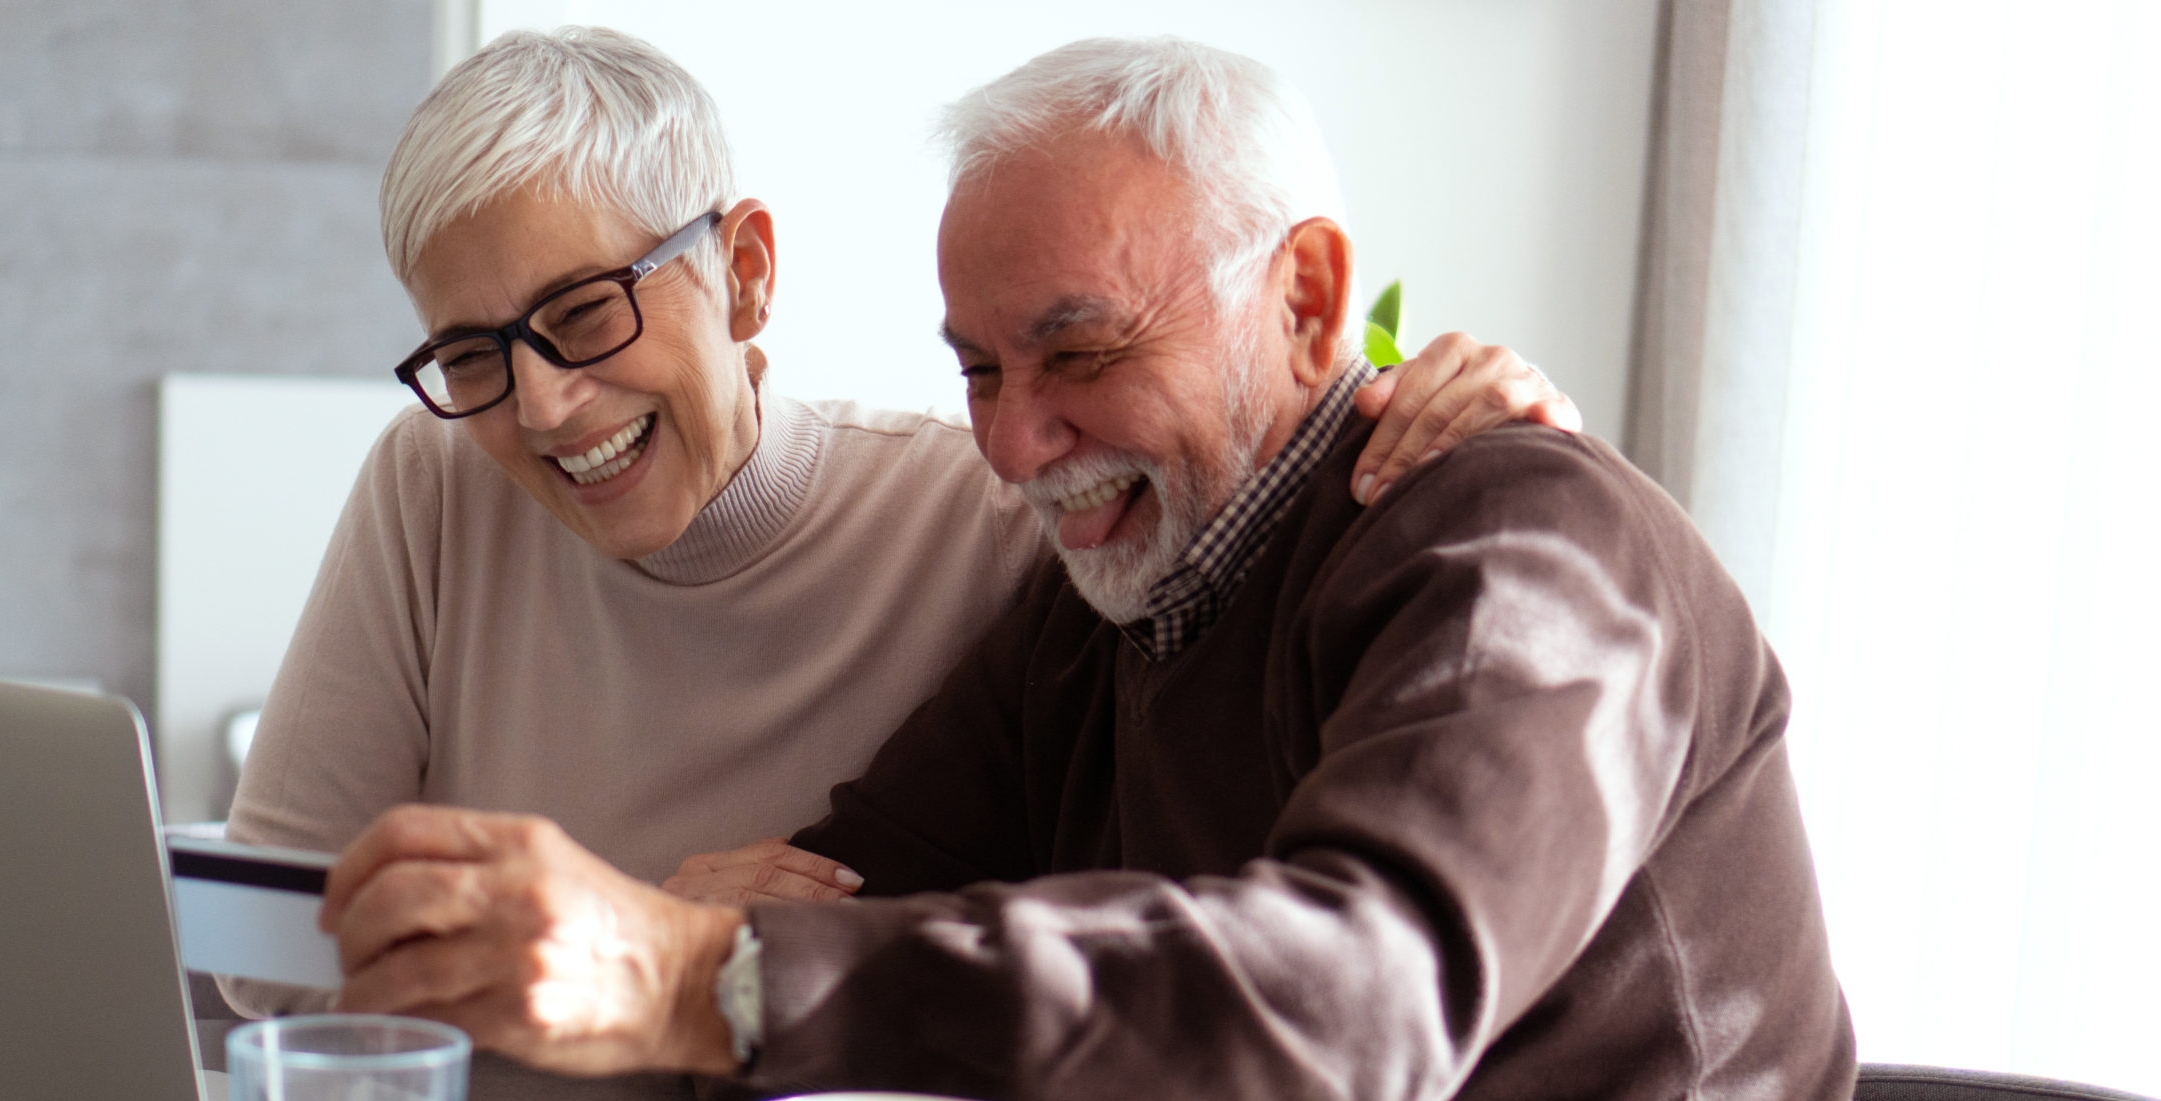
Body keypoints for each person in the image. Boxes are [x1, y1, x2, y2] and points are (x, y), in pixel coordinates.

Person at [312, 34, 1895, 1101]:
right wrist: (734, 973)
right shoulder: (1108, 617)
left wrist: (705, 974)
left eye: (1075, 350)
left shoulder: (1522, 548)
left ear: (1306, 297)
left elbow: (1349, 1002)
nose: (1015, 443)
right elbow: (848, 912)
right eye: (980, 370)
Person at [221, 25, 1577, 997]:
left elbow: (1260, 521)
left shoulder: (1009, 519)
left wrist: (1439, 405)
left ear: (745, 273)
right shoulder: (437, 479)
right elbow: (256, 958)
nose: (546, 407)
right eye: (471, 356)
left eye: (585, 314)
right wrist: (649, 949)